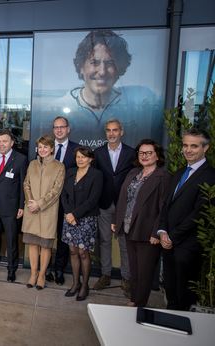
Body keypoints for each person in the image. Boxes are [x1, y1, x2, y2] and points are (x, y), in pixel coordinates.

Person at [49, 30, 160, 146]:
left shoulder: (140, 102)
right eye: (95, 62)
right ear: (82, 67)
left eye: (110, 63)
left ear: (119, 69)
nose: (102, 72)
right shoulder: (58, 106)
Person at [156, 129, 215, 311]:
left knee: (184, 295)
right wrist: (163, 231)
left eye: (194, 146)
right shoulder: (181, 171)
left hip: (188, 245)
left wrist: (172, 236)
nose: (188, 150)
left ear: (205, 148)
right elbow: (168, 204)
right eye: (185, 145)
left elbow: (200, 214)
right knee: (170, 290)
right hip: (168, 241)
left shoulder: (211, 176)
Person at [112, 139, 172, 307]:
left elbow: (164, 209)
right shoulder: (134, 173)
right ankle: (134, 300)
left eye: (148, 153)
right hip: (129, 227)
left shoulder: (163, 178)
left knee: (144, 271)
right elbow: (123, 198)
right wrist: (116, 219)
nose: (144, 156)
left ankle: (139, 304)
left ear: (157, 155)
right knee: (134, 269)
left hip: (147, 232)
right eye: (141, 153)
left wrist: (157, 232)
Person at [93, 118, 134, 295]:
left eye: (115, 130)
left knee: (124, 243)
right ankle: (105, 274)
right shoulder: (98, 152)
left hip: (123, 205)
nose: (111, 133)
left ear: (121, 132)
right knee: (105, 241)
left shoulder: (132, 153)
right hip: (104, 204)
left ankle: (126, 277)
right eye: (109, 130)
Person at [0, 129, 28, 282]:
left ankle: (11, 269)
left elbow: (23, 185)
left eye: (5, 141)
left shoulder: (21, 159)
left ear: (12, 143)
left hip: (11, 206)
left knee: (11, 240)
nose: (1, 144)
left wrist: (21, 205)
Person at [22, 135, 65, 289]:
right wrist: (31, 202)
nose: (42, 150)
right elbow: (26, 184)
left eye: (45, 147)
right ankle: (33, 274)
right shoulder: (32, 164)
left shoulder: (59, 166)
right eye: (40, 147)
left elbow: (56, 191)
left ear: (52, 149)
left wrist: (39, 204)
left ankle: (41, 275)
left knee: (46, 246)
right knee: (32, 244)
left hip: (47, 211)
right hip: (31, 211)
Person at [61, 146, 103, 301]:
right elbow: (63, 194)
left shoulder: (96, 175)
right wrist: (69, 214)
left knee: (83, 253)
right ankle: (75, 283)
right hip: (69, 219)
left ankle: (85, 285)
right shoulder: (70, 172)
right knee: (72, 252)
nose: (80, 160)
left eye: (83, 157)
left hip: (86, 219)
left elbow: (93, 200)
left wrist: (74, 214)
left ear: (90, 159)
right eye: (78, 157)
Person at [47, 116, 80, 285]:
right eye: (56, 127)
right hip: (47, 201)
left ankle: (59, 269)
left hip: (66, 201)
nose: (59, 130)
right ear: (53, 130)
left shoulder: (77, 150)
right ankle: (45, 268)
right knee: (46, 235)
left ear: (68, 129)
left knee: (62, 237)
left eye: (62, 127)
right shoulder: (46, 148)